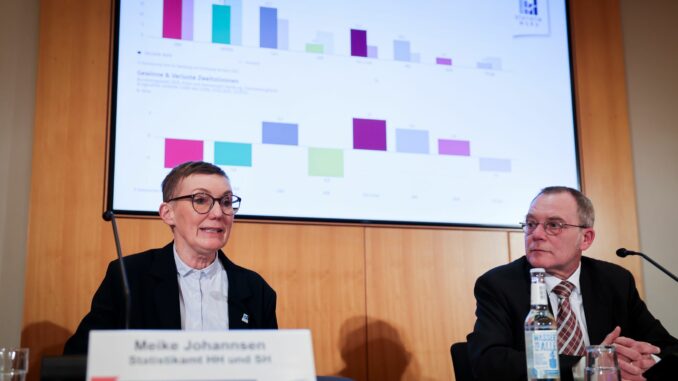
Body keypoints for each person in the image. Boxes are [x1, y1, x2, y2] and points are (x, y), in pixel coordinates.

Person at [64, 161, 277, 354]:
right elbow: (79, 359)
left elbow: (274, 369)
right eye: (201, 200)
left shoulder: (256, 289)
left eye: (226, 202)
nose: (218, 213)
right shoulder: (129, 277)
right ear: (167, 213)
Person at [467, 186, 677, 381]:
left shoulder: (615, 281)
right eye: (531, 224)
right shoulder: (499, 284)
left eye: (554, 225)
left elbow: (668, 347)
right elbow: (487, 361)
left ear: (585, 238)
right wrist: (583, 366)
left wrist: (648, 360)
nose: (537, 235)